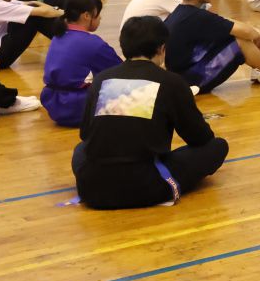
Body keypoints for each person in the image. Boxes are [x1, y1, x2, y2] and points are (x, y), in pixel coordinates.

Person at [71, 15, 229, 210]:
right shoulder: (171, 82)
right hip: (144, 187)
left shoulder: (102, 78)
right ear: (162, 49)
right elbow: (200, 138)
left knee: (80, 150)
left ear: (124, 46)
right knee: (217, 146)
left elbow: (86, 135)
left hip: (91, 188)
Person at [41, 0, 122, 128]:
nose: (100, 18)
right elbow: (121, 70)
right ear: (86, 16)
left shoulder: (58, 36)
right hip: (77, 107)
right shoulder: (93, 43)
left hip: (53, 103)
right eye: (98, 14)